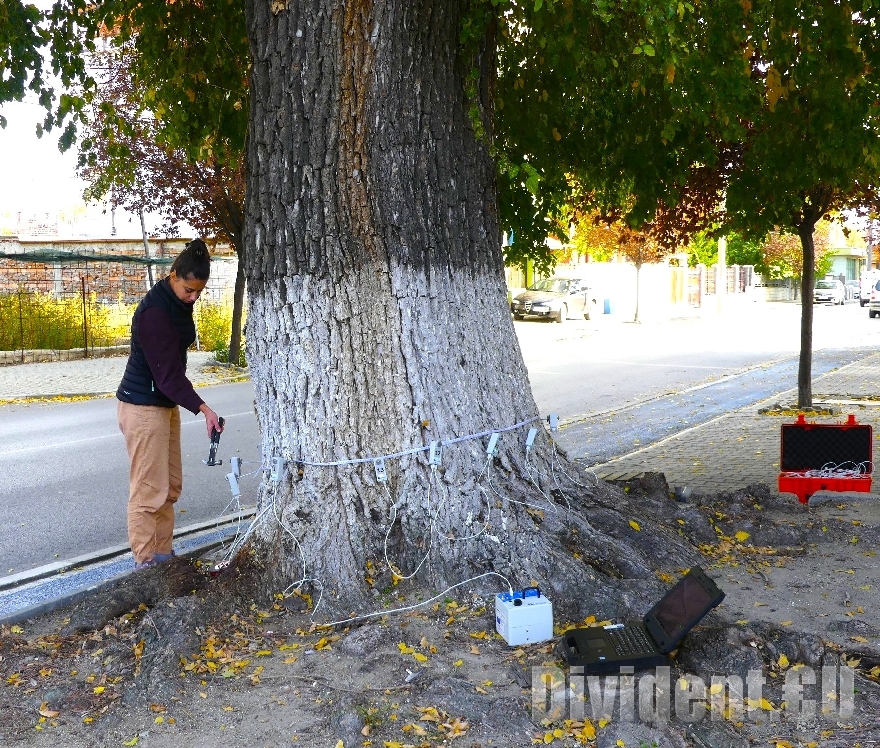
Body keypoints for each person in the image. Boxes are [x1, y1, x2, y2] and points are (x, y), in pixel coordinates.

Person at [116, 239, 223, 569]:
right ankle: (146, 564)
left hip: (162, 405)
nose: (193, 298)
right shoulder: (154, 314)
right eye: (189, 290)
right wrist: (204, 408)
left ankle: (163, 556)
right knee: (148, 491)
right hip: (143, 406)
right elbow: (167, 376)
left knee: (169, 485)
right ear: (174, 275)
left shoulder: (175, 303)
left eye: (198, 293)